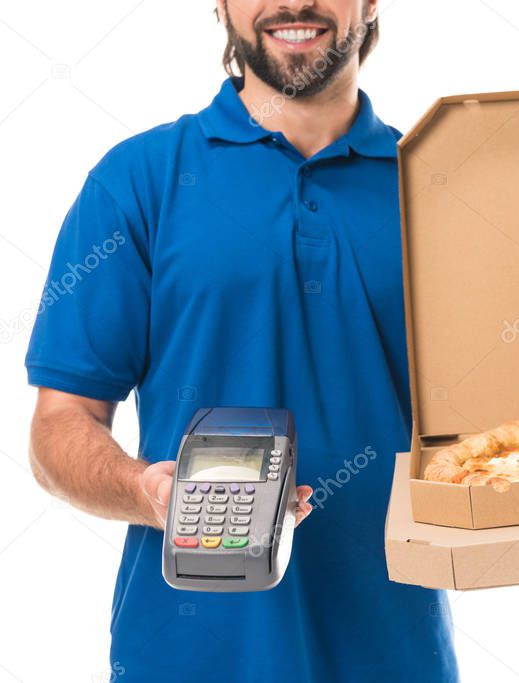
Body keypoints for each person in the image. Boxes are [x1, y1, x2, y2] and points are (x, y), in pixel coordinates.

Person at [25, 1, 457, 680]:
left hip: (392, 649)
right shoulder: (137, 181)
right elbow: (59, 426)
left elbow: (497, 426)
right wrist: (147, 490)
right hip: (186, 653)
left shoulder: (435, 187)